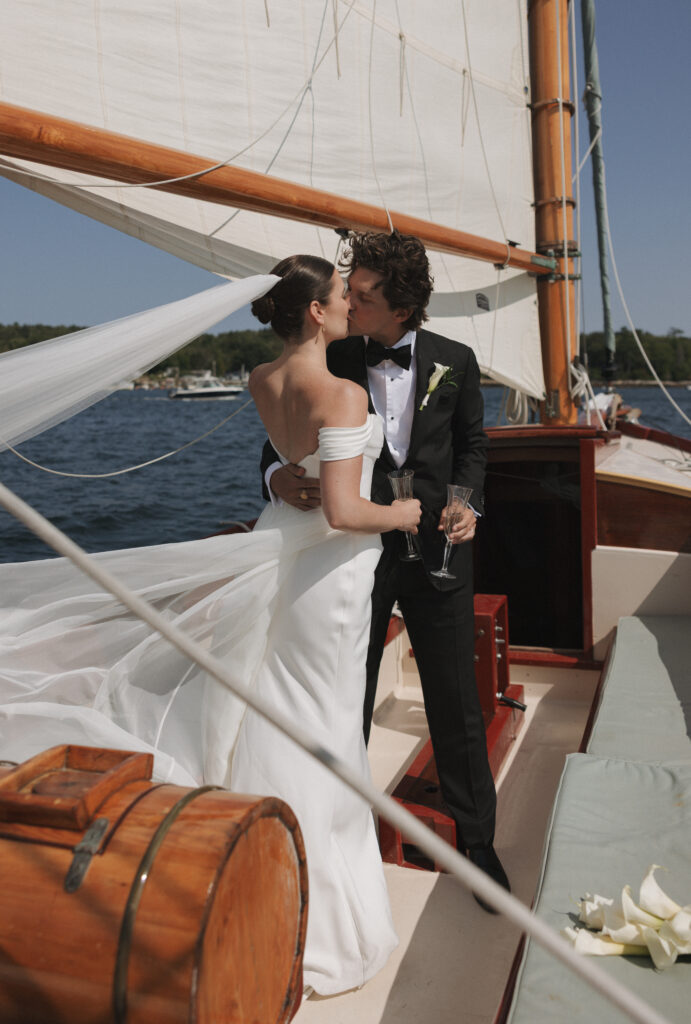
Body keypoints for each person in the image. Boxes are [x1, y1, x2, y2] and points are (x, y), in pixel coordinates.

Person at [0, 254, 420, 996]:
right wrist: (405, 513)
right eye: (339, 297)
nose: (352, 306)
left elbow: (292, 479)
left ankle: (261, 878)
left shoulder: (262, 380)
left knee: (277, 706)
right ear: (316, 313)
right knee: (323, 719)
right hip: (328, 570)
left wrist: (292, 484)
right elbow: (344, 511)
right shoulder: (345, 393)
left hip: (275, 542)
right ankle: (318, 913)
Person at [262, 231, 510, 911]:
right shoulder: (333, 354)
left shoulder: (454, 361)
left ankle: (477, 841)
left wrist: (465, 505)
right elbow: (277, 444)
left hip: (437, 553)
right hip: (352, 559)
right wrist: (275, 479)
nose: (351, 301)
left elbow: (472, 447)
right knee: (346, 694)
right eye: (351, 292)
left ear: (400, 306)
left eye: (364, 295)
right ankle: (340, 837)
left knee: (455, 703)